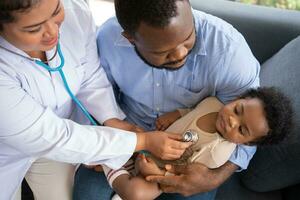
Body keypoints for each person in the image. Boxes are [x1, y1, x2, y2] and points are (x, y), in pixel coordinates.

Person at [0, 0, 191, 199]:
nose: (52, 31)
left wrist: (111, 119)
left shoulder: (76, 10)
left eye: (56, 11)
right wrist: (141, 141)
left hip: (61, 138)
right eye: (34, 29)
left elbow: (89, 74)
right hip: (8, 153)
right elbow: (56, 138)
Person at [73, 0, 262, 199]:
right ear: (130, 39)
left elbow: (254, 127)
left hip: (190, 158)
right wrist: (93, 144)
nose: (181, 54)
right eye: (162, 52)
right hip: (126, 137)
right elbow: (92, 94)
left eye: (188, 38)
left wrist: (214, 177)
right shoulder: (107, 40)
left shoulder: (230, 52)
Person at [101, 87, 293, 200]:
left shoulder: (217, 152)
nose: (232, 121)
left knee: (136, 193)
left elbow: (185, 171)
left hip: (159, 171)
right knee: (126, 132)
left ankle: (112, 170)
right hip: (150, 142)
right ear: (237, 99)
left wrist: (157, 173)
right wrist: (175, 115)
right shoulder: (212, 103)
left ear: (248, 144)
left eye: (242, 130)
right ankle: (112, 158)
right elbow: (191, 111)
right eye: (237, 109)